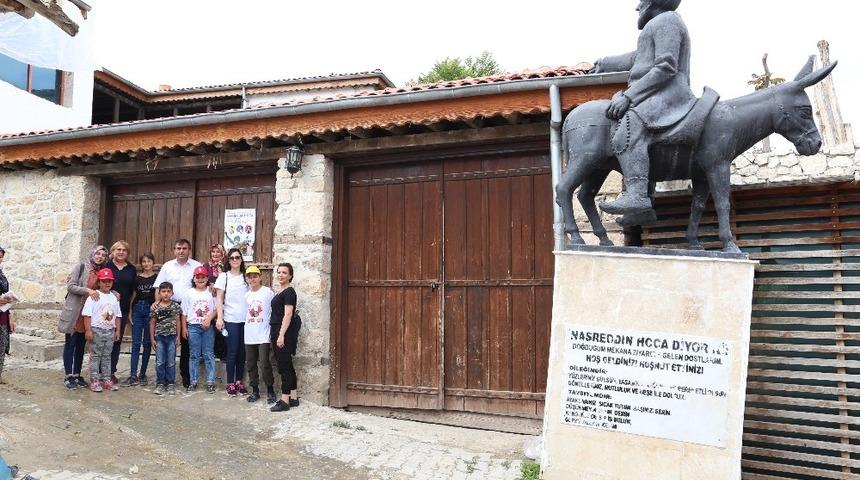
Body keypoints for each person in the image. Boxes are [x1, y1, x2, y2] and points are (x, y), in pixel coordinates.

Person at [590, 0, 694, 215]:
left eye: (640, 1)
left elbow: (665, 67)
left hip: (669, 92)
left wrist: (628, 97)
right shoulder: (658, 24)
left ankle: (637, 194)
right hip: (658, 92)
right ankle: (643, 208)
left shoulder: (667, 21)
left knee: (629, 125)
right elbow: (639, 58)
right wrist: (604, 63)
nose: (637, 7)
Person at [153, 239, 201, 388]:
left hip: (189, 309)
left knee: (187, 343)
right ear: (174, 250)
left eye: (184, 248)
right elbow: (158, 287)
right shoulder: (167, 266)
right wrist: (158, 305)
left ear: (189, 250)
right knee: (168, 341)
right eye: (178, 248)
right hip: (169, 307)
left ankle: (186, 376)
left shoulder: (196, 266)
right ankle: (165, 378)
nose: (181, 251)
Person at [59, 245, 109, 390]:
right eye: (98, 254)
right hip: (75, 312)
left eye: (103, 255)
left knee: (81, 346)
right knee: (70, 344)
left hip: (88, 315)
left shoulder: (100, 272)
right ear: (92, 254)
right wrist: (87, 289)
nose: (100, 257)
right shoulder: (81, 267)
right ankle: (68, 376)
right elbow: (71, 286)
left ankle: (77, 374)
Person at [215, 247, 248, 396]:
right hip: (231, 319)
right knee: (233, 351)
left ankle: (239, 382)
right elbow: (219, 298)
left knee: (242, 352)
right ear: (228, 261)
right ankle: (229, 383)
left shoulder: (246, 277)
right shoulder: (224, 276)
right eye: (232, 258)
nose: (235, 260)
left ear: (241, 259)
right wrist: (220, 318)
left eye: (237, 257)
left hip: (246, 320)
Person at [82, 268, 122, 392]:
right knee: (95, 356)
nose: (107, 283)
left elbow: (118, 316)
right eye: (104, 281)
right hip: (96, 330)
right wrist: (88, 330)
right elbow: (87, 315)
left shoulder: (114, 297)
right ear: (99, 282)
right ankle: (94, 381)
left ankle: (106, 379)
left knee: (107, 356)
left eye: (109, 281)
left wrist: (117, 330)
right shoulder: (94, 296)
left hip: (109, 331)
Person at [121, 253, 157, 387]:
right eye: (144, 262)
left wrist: (156, 313)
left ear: (153, 263)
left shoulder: (156, 278)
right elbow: (134, 295)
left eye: (149, 261)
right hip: (138, 309)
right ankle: (132, 374)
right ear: (141, 264)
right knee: (136, 343)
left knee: (147, 343)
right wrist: (130, 311)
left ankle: (142, 374)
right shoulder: (137, 279)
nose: (146, 264)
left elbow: (158, 296)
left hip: (150, 310)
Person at [270, 263, 301, 412]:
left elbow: (288, 314)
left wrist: (281, 335)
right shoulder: (282, 291)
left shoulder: (289, 292)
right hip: (278, 330)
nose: (281, 275)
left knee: (284, 366)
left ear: (290, 275)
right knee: (287, 364)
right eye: (279, 272)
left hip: (283, 331)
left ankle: (284, 400)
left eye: (284, 272)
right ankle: (294, 397)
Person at [243, 265, 276, 403]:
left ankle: (270, 390)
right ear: (247, 279)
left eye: (255, 276)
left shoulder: (268, 292)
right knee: (250, 363)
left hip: (263, 333)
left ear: (260, 277)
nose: (253, 279)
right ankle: (255, 390)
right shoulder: (246, 295)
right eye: (250, 277)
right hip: (250, 333)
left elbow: (274, 309)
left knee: (264, 362)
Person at [182, 266, 217, 394]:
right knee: (194, 355)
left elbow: (217, 308)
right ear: (194, 278)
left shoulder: (211, 292)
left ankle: (210, 381)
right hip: (193, 327)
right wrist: (184, 328)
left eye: (203, 277)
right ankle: (193, 381)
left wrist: (209, 319)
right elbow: (184, 312)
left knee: (208, 354)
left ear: (207, 278)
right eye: (198, 277)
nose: (200, 279)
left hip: (208, 327)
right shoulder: (189, 293)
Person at [107, 241, 137, 383]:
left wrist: (130, 310)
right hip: (105, 309)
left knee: (116, 340)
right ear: (113, 251)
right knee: (103, 340)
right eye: (118, 249)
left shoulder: (131, 269)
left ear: (127, 253)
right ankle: (100, 372)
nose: (121, 252)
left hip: (122, 309)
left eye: (124, 250)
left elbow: (132, 292)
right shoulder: (107, 266)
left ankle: (111, 371)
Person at [150, 282, 182, 396]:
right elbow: (152, 322)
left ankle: (170, 384)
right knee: (160, 361)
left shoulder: (176, 307)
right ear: (159, 293)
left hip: (172, 337)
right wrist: (152, 338)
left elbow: (178, 321)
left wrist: (178, 336)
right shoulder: (156, 307)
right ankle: (160, 383)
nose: (166, 294)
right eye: (163, 291)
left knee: (171, 362)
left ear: (172, 293)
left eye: (169, 291)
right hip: (159, 338)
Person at [202, 244, 227, 362]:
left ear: (222, 253)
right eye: (213, 252)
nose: (215, 254)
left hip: (223, 298)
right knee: (210, 324)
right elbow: (201, 279)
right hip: (210, 299)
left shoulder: (226, 266)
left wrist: (217, 286)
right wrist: (210, 284)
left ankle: (222, 353)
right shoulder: (206, 266)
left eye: (218, 252)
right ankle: (209, 352)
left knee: (221, 325)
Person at [0, 247, 17, 385]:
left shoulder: (2, 275)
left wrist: (10, 317)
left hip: (3, 315)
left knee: (2, 345)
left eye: (1, 256)